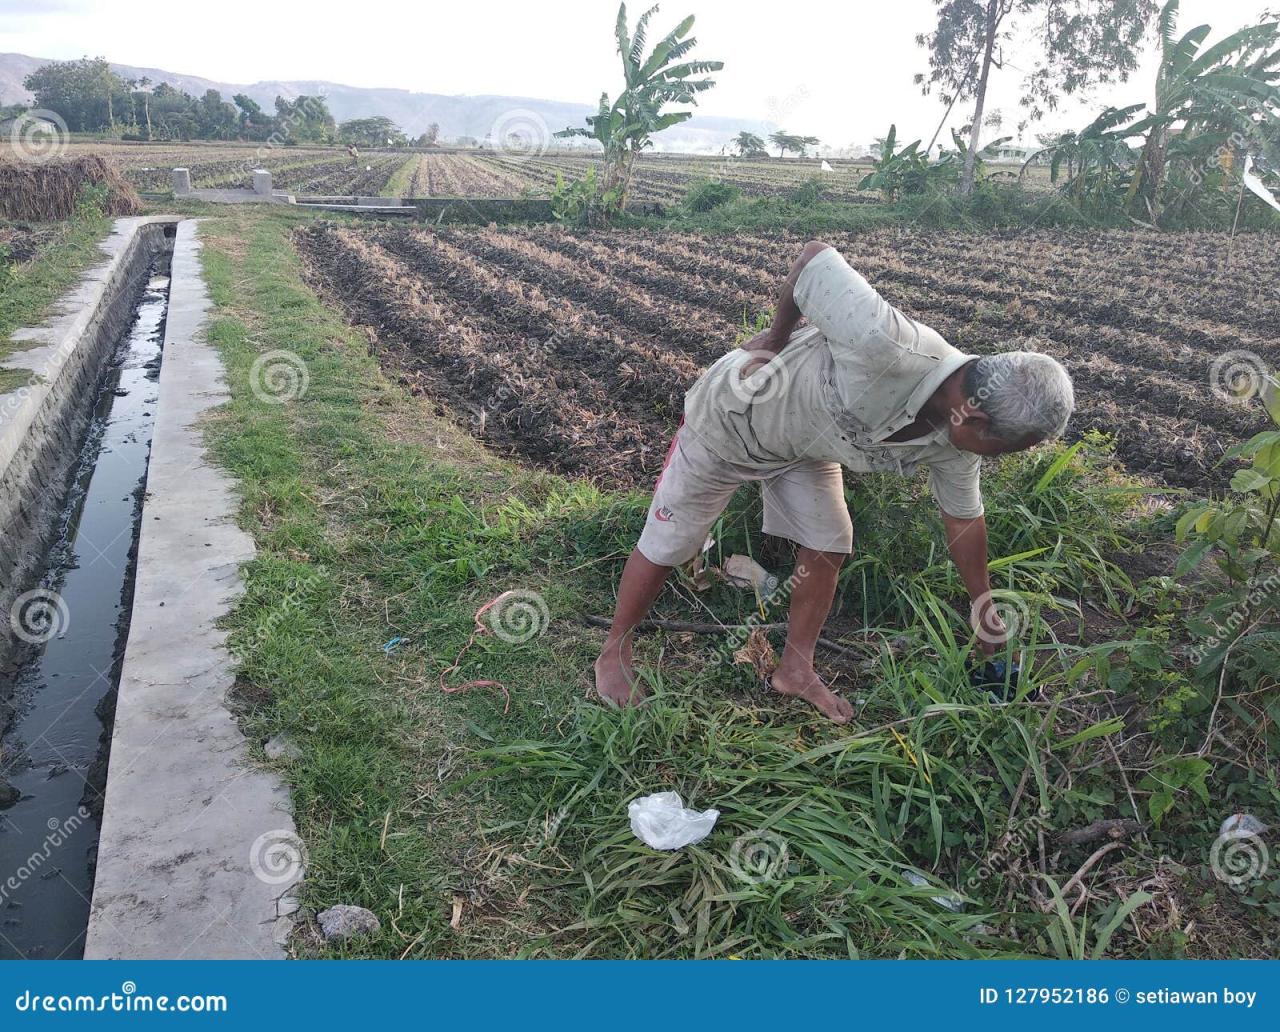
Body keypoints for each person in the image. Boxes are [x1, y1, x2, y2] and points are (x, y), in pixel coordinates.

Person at [593, 240, 1075, 723]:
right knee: (671, 540)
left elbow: (965, 524)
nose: (998, 460)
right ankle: (614, 651)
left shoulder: (955, 443)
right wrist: (776, 338)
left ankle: (794, 669)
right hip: (731, 421)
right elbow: (812, 257)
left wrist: (984, 612)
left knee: (829, 543)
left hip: (804, 449)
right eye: (1004, 450)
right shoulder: (885, 342)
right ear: (976, 418)